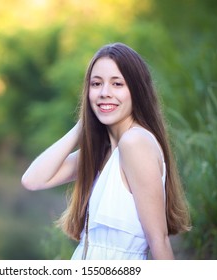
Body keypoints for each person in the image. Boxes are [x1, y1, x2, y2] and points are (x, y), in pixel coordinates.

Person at [21, 42, 191, 260]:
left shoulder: (134, 143)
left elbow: (159, 239)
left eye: (117, 84)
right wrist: (82, 126)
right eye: (96, 84)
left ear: (136, 90)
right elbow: (33, 180)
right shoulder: (104, 151)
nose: (104, 93)